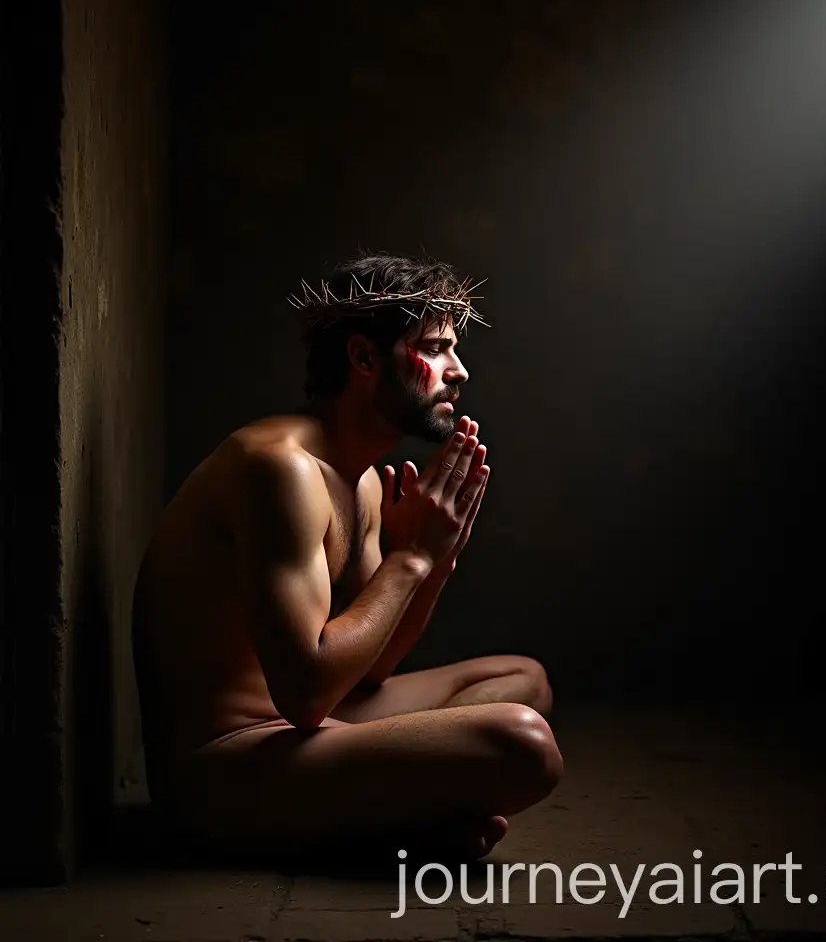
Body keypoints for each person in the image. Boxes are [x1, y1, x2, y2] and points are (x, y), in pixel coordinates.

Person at [132, 253, 562, 860]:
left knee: (523, 681)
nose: (458, 371)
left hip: (309, 731)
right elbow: (305, 694)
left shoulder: (357, 480)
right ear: (363, 358)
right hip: (227, 769)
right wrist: (408, 559)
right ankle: (391, 818)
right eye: (436, 349)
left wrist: (436, 561)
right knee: (524, 744)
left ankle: (393, 809)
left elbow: (369, 670)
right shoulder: (277, 468)